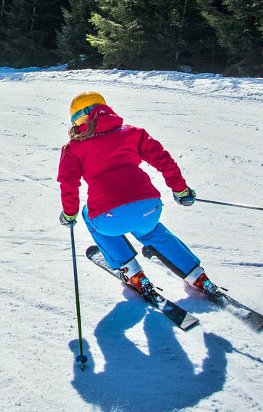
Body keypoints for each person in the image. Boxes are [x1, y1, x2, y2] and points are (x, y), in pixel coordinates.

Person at [57, 91, 214, 294]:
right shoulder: (133, 132)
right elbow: (164, 160)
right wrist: (181, 190)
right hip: (149, 207)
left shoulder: (73, 147)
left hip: (108, 217)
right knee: (151, 230)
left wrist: (69, 214)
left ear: (77, 120)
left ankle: (131, 272)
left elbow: (68, 184)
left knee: (89, 214)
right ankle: (197, 276)